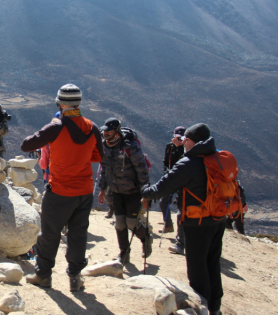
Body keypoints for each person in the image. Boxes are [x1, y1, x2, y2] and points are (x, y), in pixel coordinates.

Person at [21, 84, 103, 292]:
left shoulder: (56, 126)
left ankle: (43, 275)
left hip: (59, 190)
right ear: (79, 103)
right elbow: (100, 155)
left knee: (50, 233)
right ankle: (75, 278)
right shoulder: (92, 127)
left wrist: (48, 131)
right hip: (84, 191)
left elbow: (26, 145)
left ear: (60, 103)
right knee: (78, 234)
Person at [141, 123, 227, 315]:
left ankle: (201, 308)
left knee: (197, 265)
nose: (183, 143)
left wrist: (144, 191)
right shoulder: (217, 157)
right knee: (212, 261)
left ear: (192, 141)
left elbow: (164, 186)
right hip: (218, 217)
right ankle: (215, 307)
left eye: (186, 140)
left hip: (197, 221)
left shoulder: (189, 163)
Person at [97, 117, 152, 264]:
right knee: (120, 223)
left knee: (132, 223)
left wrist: (146, 193)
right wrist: (102, 189)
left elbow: (142, 169)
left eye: (109, 131)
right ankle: (124, 253)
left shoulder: (130, 146)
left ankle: (146, 237)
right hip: (116, 191)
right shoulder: (105, 146)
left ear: (116, 131)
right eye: (104, 131)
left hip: (133, 191)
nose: (106, 134)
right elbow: (104, 169)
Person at [160, 126, 186, 239]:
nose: (178, 140)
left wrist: (179, 148)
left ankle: (181, 236)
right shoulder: (169, 147)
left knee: (181, 208)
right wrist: (167, 171)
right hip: (170, 178)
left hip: (183, 181)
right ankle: (168, 224)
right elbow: (165, 162)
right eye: (176, 137)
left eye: (181, 138)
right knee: (163, 202)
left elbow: (184, 160)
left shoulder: (187, 149)